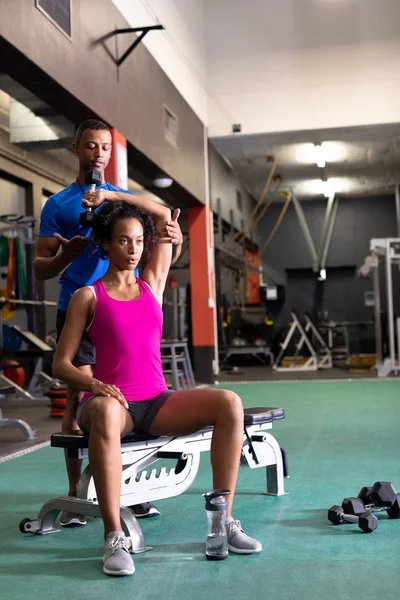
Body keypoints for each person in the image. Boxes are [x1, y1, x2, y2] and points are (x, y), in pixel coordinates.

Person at [52, 189, 262, 577]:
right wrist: (95, 385)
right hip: (110, 402)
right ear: (104, 243)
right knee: (106, 412)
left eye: (138, 241)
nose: (133, 250)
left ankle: (222, 523)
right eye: (122, 240)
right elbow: (61, 364)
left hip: (156, 400)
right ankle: (114, 536)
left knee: (229, 403)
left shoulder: (152, 284)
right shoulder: (88, 296)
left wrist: (121, 199)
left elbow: (167, 217)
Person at [34, 119, 183, 525]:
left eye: (105, 147)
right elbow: (40, 268)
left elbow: (161, 216)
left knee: (128, 398)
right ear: (76, 149)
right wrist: (69, 254)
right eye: (90, 146)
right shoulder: (58, 204)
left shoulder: (117, 197)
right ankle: (74, 497)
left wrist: (112, 202)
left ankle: (125, 491)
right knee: (80, 400)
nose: (98, 153)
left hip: (121, 307)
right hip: (79, 303)